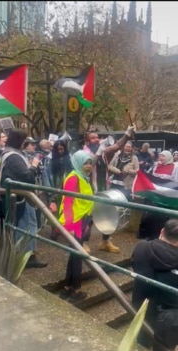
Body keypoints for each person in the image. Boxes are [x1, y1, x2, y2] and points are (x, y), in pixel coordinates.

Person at [131, 219, 178, 351]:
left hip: (141, 306)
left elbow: (136, 265)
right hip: (169, 316)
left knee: (141, 342)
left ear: (162, 231)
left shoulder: (141, 247)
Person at [83, 125, 136, 253]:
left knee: (107, 215)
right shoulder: (84, 153)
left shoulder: (103, 153)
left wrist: (127, 133)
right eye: (93, 138)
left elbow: (117, 146)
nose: (97, 139)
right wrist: (98, 153)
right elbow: (88, 167)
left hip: (104, 189)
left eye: (97, 137)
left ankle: (105, 242)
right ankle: (82, 242)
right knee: (88, 218)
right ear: (87, 141)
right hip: (89, 191)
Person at [0, 128, 47, 269]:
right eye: (24, 141)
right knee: (28, 227)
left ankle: (24, 254)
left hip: (19, 197)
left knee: (23, 226)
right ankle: (28, 256)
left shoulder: (9, 154)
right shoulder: (13, 156)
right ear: (19, 141)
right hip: (22, 198)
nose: (26, 144)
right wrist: (33, 166)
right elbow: (26, 177)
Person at [58, 150, 94, 304]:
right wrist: (71, 226)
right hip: (75, 221)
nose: (88, 166)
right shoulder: (73, 178)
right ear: (78, 162)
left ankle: (67, 287)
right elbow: (67, 203)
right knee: (77, 255)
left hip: (82, 219)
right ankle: (75, 289)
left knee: (75, 254)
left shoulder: (83, 177)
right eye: (85, 163)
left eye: (90, 163)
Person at [138, 150, 178, 240]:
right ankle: (147, 236)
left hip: (164, 200)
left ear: (168, 157)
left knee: (161, 219)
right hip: (153, 197)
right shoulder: (155, 166)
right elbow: (149, 177)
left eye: (163, 156)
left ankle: (158, 237)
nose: (161, 158)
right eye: (160, 156)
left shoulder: (175, 168)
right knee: (149, 217)